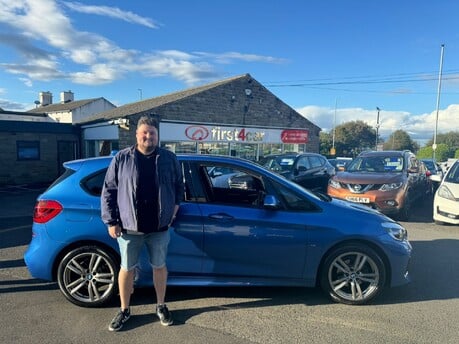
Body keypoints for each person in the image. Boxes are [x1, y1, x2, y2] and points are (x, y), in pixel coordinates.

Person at [101, 116, 184, 332]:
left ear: (158, 136)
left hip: (159, 228)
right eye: (145, 132)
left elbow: (178, 186)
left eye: (153, 133)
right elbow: (109, 191)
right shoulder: (121, 158)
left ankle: (160, 305)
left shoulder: (169, 158)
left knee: (159, 267)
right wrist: (111, 221)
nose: (149, 136)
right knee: (127, 268)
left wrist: (175, 208)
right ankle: (124, 309)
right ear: (137, 134)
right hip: (129, 228)